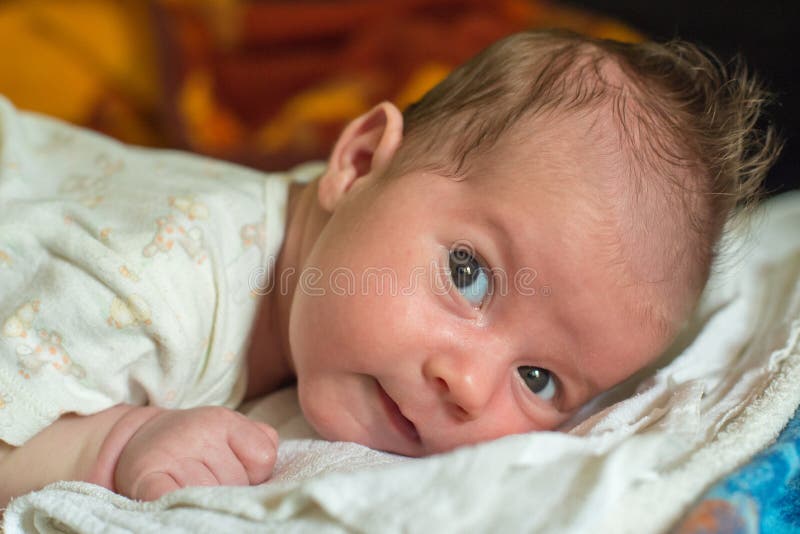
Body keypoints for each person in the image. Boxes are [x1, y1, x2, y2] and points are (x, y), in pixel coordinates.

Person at [0, 29, 781, 506]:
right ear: (361, 158)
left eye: (539, 380)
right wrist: (112, 447)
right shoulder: (149, 291)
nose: (468, 385)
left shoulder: (316, 291)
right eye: (469, 274)